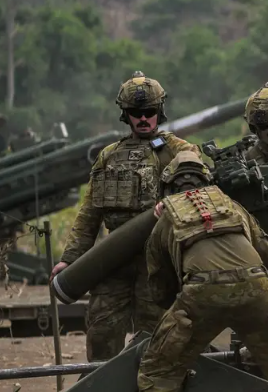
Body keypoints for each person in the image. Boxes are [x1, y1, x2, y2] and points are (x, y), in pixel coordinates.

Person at [50, 71, 201, 361]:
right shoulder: (108, 156)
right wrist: (70, 258)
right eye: (135, 113)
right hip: (112, 260)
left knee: (156, 339)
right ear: (125, 115)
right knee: (101, 334)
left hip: (157, 262)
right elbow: (90, 212)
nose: (143, 119)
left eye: (149, 112)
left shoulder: (180, 152)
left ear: (160, 112)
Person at [136, 151, 268, 392]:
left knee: (157, 374)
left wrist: (178, 319)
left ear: (167, 188)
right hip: (257, 288)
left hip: (201, 294)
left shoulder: (165, 219)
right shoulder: (233, 207)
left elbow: (159, 288)